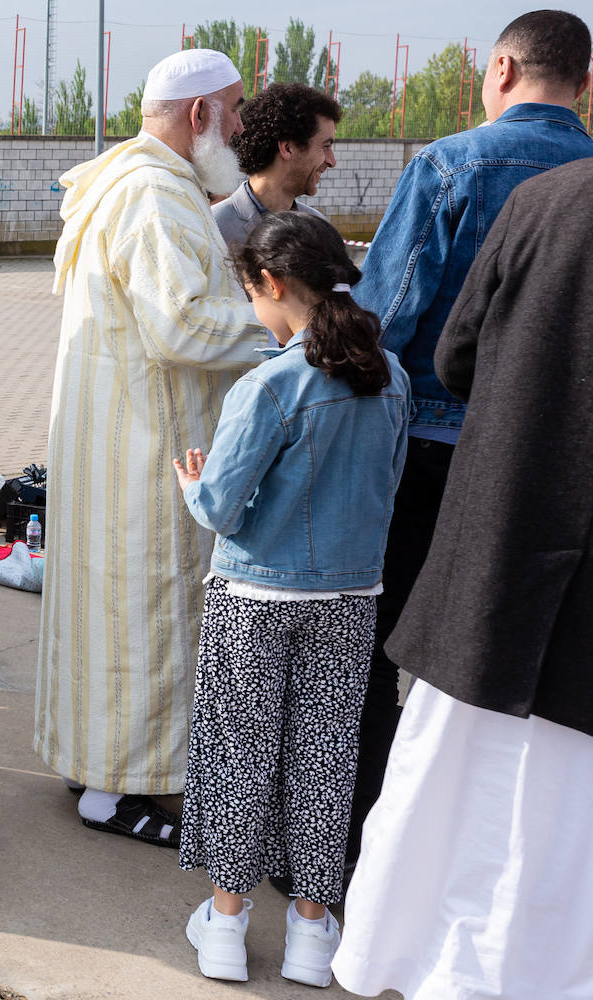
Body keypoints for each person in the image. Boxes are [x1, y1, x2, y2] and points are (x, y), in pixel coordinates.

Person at [334, 155, 593, 1000]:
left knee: (451, 782)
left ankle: (416, 965)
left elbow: (456, 355)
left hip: (500, 531)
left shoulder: (540, 197)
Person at [347, 8, 593, 868]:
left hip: (429, 447)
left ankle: (353, 851)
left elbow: (383, 320)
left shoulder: (452, 165)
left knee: (380, 642)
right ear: (585, 85)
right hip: (554, 466)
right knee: (516, 662)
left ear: (499, 70)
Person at [35, 47, 264, 847]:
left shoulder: (134, 185)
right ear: (199, 114)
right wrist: (289, 326)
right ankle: (116, 789)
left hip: (119, 442)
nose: (240, 126)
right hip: (144, 450)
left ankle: (94, 762)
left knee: (111, 616)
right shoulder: (156, 196)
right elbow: (183, 325)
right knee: (149, 618)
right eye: (234, 110)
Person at [172, 212, 408, 986]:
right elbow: (389, 487)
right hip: (351, 595)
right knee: (325, 762)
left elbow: (219, 508)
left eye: (251, 294)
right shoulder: (392, 376)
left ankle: (227, 926)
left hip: (256, 594)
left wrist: (191, 482)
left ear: (273, 284)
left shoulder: (270, 383)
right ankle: (313, 935)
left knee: (240, 754)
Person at [213, 82, 339, 249]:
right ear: (287, 148)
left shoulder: (319, 230)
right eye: (326, 147)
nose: (332, 161)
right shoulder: (214, 228)